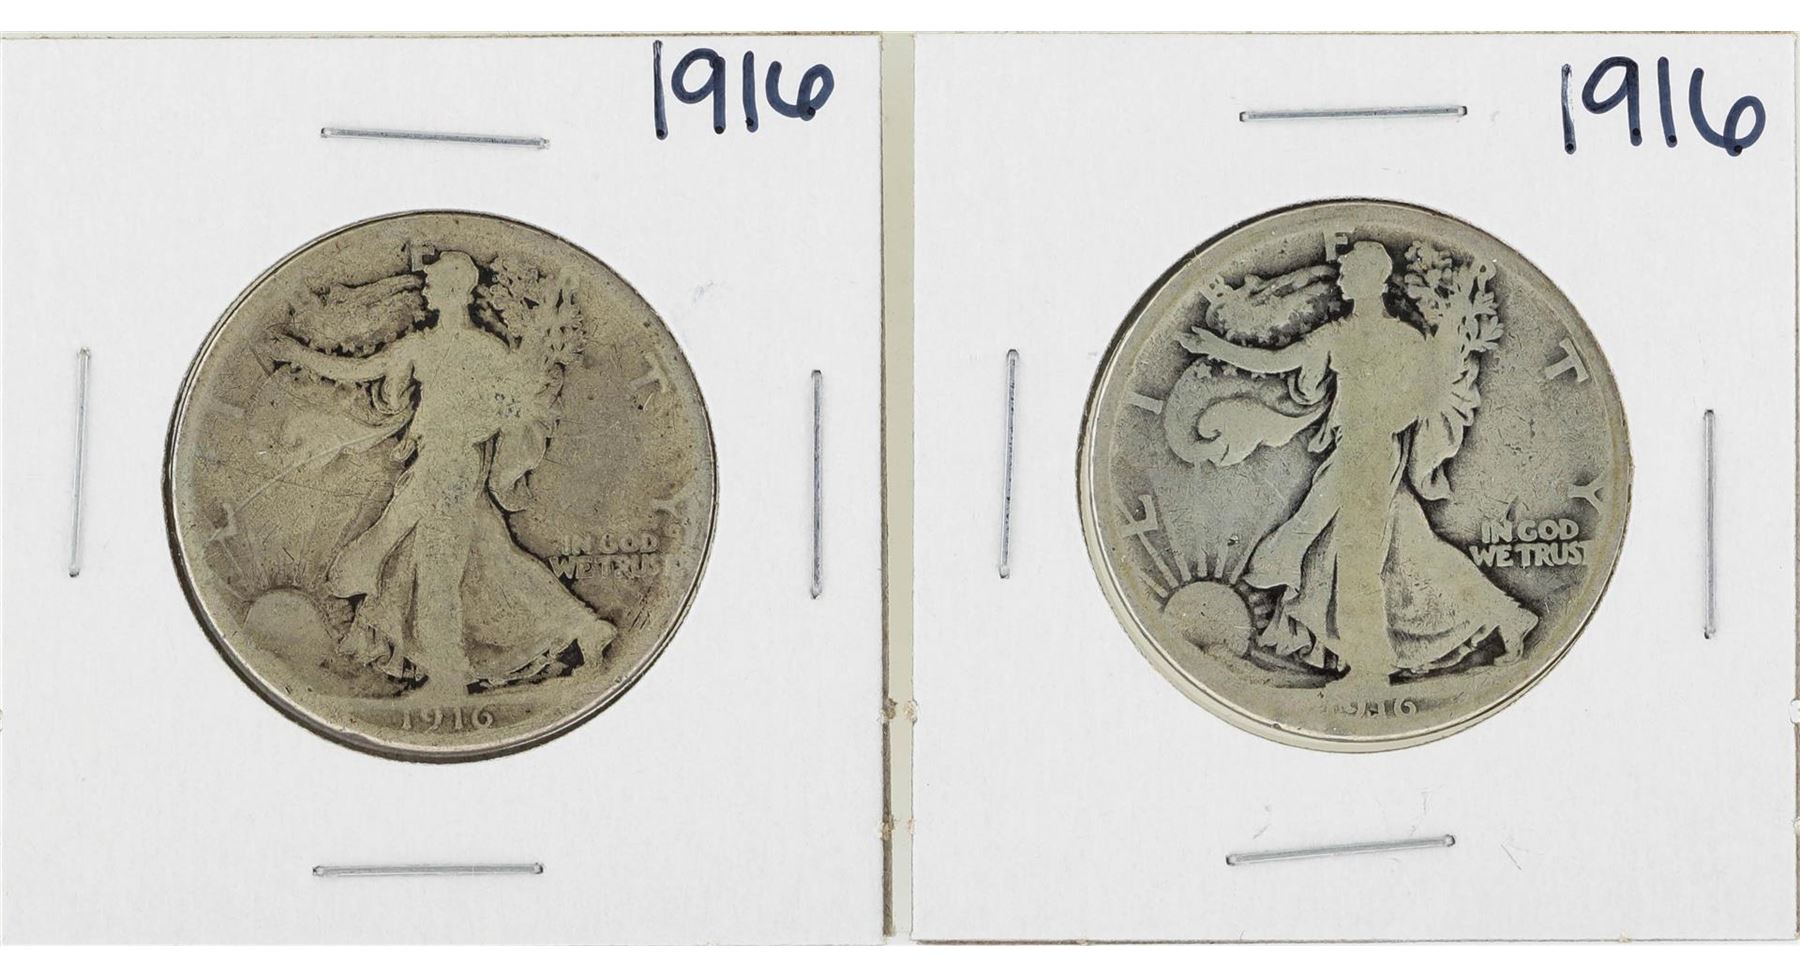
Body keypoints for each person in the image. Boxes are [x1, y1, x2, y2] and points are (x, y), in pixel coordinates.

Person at [1177, 241, 1536, 688]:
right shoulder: (1345, 334)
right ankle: (1508, 615)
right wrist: (1217, 347)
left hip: (1371, 455)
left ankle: (1369, 667)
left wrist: (1381, 423)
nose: (1340, 279)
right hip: (1359, 452)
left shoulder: (1397, 339)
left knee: (1355, 560)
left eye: (1348, 272)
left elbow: (1423, 400)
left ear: (1370, 279)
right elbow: (1277, 362)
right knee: (1408, 549)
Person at [263, 251, 616, 692]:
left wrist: (464, 428)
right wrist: (298, 353)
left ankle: (447, 676)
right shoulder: (454, 348)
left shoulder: (463, 350)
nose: (425, 290)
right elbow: (359, 371)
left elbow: (512, 410)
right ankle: (585, 628)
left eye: (433, 283)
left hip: (450, 467)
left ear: (454, 290)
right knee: (494, 558)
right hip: (446, 465)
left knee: (434, 569)